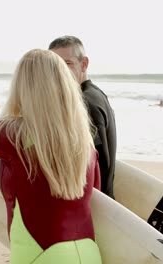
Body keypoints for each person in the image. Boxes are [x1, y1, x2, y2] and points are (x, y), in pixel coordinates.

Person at [0, 49, 102, 264]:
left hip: (39, 254)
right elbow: (97, 199)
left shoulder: (15, 133)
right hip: (88, 252)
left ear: (23, 86)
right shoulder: (84, 141)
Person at [49, 36, 117, 199]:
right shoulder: (95, 93)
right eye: (54, 66)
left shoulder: (85, 103)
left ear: (84, 64)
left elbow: (98, 164)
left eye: (67, 64)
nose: (60, 72)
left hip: (95, 206)